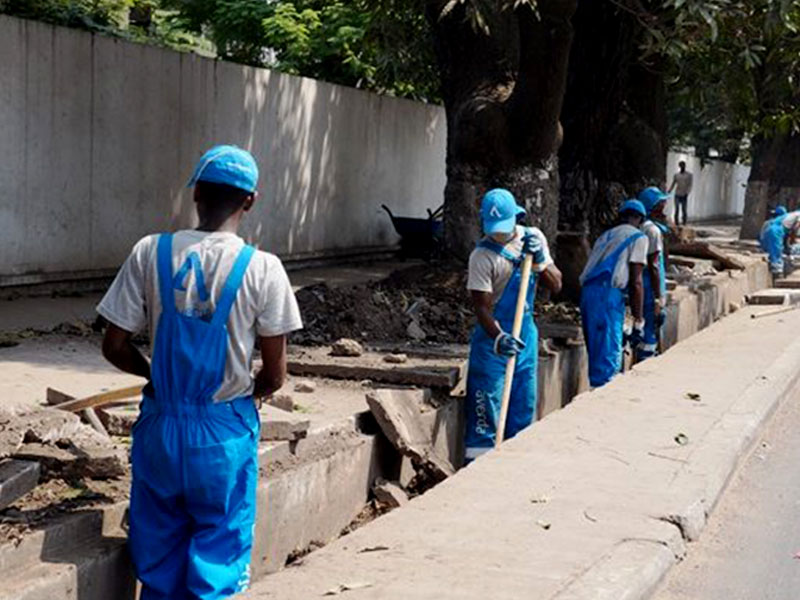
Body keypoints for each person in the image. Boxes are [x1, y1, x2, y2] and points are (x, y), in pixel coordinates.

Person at [97, 145, 303, 599]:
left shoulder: (150, 251)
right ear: (250, 201)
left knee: (158, 561)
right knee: (219, 560)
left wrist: (156, 379)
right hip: (223, 431)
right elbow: (274, 377)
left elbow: (114, 345)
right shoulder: (264, 269)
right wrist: (242, 399)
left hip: (161, 427)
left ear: (196, 195)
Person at [464, 188, 562, 462]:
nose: (498, 233)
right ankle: (477, 472)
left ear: (516, 216)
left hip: (525, 337)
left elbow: (556, 285)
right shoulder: (481, 257)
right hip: (492, 340)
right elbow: (482, 308)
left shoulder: (533, 238)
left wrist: (541, 261)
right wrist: (498, 337)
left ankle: (513, 466)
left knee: (522, 408)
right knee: (485, 416)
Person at [580, 200, 649, 388]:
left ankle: (596, 391)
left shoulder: (605, 235)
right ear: (640, 219)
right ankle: (602, 400)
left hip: (588, 295)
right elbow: (636, 282)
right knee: (608, 358)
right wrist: (639, 321)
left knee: (597, 350)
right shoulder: (638, 238)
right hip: (607, 295)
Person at [637, 187, 671, 362]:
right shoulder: (653, 231)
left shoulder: (641, 228)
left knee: (644, 326)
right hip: (651, 287)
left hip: (643, 286)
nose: (664, 207)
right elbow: (654, 265)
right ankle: (647, 363)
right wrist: (659, 297)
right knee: (652, 326)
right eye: (661, 203)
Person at [760, 206, 799, 278]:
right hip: (776, 231)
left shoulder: (788, 216)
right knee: (776, 250)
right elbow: (795, 229)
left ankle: (776, 267)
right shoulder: (798, 215)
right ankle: (777, 271)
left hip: (770, 230)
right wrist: (792, 241)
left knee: (774, 250)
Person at [669, 161, 694, 226]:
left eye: (683, 166)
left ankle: (684, 223)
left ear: (685, 166)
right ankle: (676, 223)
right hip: (677, 194)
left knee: (684, 209)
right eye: (681, 166)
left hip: (684, 194)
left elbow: (690, 185)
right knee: (676, 208)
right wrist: (669, 190)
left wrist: (687, 192)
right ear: (679, 166)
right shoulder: (676, 175)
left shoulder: (689, 175)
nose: (682, 167)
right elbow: (673, 183)